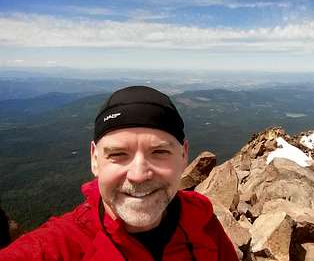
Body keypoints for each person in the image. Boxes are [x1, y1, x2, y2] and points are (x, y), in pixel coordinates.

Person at [0, 86, 239, 261]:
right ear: (95, 159)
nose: (138, 174)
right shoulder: (56, 248)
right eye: (118, 154)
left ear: (184, 155)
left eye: (159, 152)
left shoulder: (200, 216)